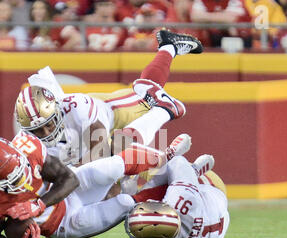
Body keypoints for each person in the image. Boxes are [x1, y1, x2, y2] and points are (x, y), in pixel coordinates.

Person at [0, 131, 190, 238]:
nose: (23, 180)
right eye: (13, 180)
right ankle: (173, 182)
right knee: (125, 203)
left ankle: (165, 156)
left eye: (21, 170)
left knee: (111, 168)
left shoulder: (29, 148)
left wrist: (38, 205)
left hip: (68, 191)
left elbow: (69, 179)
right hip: (63, 224)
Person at [14, 29, 203, 167]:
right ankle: (168, 47)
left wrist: (79, 171)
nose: (46, 133)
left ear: (57, 111)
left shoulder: (76, 107)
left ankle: (165, 111)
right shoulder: (24, 141)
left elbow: (101, 146)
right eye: (38, 129)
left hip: (108, 111)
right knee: (115, 166)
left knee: (116, 148)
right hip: (84, 130)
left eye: (48, 124)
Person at [125, 154, 229, 238]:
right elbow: (177, 161)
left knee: (162, 175)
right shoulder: (182, 199)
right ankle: (194, 171)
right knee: (170, 169)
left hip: (214, 233)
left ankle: (189, 173)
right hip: (213, 192)